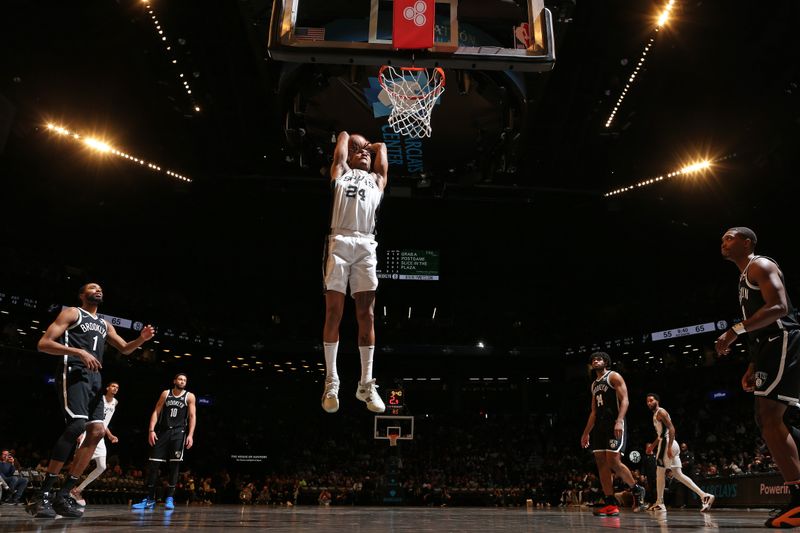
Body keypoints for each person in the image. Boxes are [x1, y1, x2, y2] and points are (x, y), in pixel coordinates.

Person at [28, 283, 154, 518]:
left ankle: (64, 494)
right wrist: (79, 352)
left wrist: (141, 339)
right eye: (92, 287)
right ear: (81, 294)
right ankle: (42, 494)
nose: (98, 290)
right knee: (77, 426)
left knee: (96, 431)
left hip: (95, 378)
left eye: (100, 289)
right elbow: (43, 344)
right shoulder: (72, 313)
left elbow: (125, 349)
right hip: (74, 371)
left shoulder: (104, 324)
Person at [715, 227, 800, 528]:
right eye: (722, 238)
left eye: (730, 236)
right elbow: (760, 323)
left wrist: (734, 331)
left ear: (747, 242)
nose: (723, 241)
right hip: (766, 346)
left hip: (783, 338)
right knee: (770, 419)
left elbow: (780, 307)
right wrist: (753, 363)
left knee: (770, 416)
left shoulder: (760, 265)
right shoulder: (742, 277)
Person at [320, 131, 388, 414]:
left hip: (365, 244)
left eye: (368, 155)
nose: (365, 154)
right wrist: (354, 144)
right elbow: (344, 138)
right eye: (360, 151)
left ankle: (365, 384)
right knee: (334, 312)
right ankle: (331, 380)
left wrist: (370, 147)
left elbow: (382, 147)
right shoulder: (341, 170)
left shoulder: (377, 180)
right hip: (339, 242)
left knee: (367, 315)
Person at [580, 352, 646, 516]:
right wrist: (586, 433)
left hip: (614, 424)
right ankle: (610, 503)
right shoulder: (594, 384)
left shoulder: (614, 376)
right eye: (593, 359)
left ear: (606, 362)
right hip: (600, 427)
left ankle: (636, 489)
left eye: (599, 359)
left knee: (614, 462)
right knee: (601, 463)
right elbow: (593, 411)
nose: (596, 360)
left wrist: (619, 421)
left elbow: (625, 400)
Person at [132, 373, 196, 511]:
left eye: (185, 380)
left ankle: (170, 498)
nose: (182, 381)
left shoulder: (189, 396)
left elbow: (192, 416)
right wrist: (151, 430)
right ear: (174, 381)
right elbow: (156, 411)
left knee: (174, 465)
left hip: (179, 432)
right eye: (180, 379)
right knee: (154, 464)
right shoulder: (166, 393)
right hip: (163, 431)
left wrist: (190, 435)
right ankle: (149, 499)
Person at [644, 393, 715, 512]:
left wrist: (669, 446)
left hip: (668, 444)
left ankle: (660, 503)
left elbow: (671, 428)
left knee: (659, 472)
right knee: (678, 474)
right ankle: (704, 495)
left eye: (651, 400)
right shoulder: (656, 415)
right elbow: (661, 435)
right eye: (647, 401)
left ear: (657, 401)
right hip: (668, 443)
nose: (649, 403)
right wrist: (652, 446)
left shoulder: (661, 412)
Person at [70, 381, 120, 507]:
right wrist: (81, 431)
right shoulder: (99, 399)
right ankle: (67, 489)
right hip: (89, 431)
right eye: (113, 386)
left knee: (102, 466)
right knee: (79, 463)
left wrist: (110, 435)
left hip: (100, 436)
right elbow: (88, 415)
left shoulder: (115, 403)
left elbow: (104, 422)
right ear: (107, 388)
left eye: (117, 387)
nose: (115, 389)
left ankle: (78, 490)